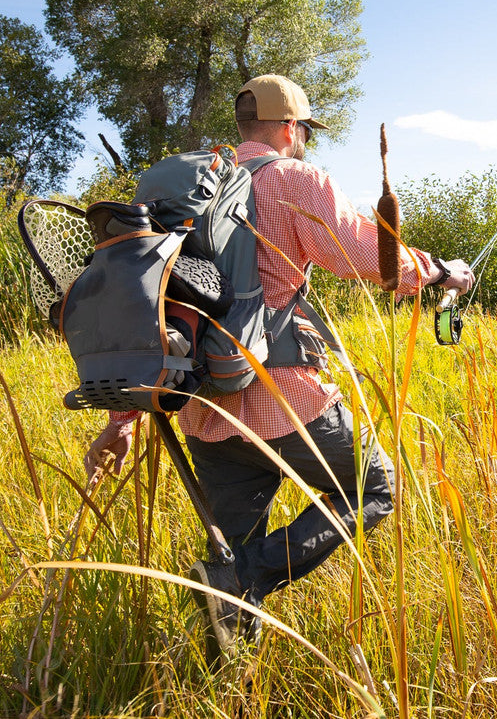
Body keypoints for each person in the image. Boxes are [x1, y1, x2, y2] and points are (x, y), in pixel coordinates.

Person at [83, 74, 474, 646]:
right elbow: (370, 256)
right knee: (374, 489)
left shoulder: (186, 192)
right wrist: (440, 271)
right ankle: (247, 576)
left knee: (230, 549)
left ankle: (228, 669)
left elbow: (150, 307)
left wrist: (122, 420)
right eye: (304, 131)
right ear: (291, 127)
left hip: (203, 408)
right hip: (283, 397)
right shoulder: (296, 180)